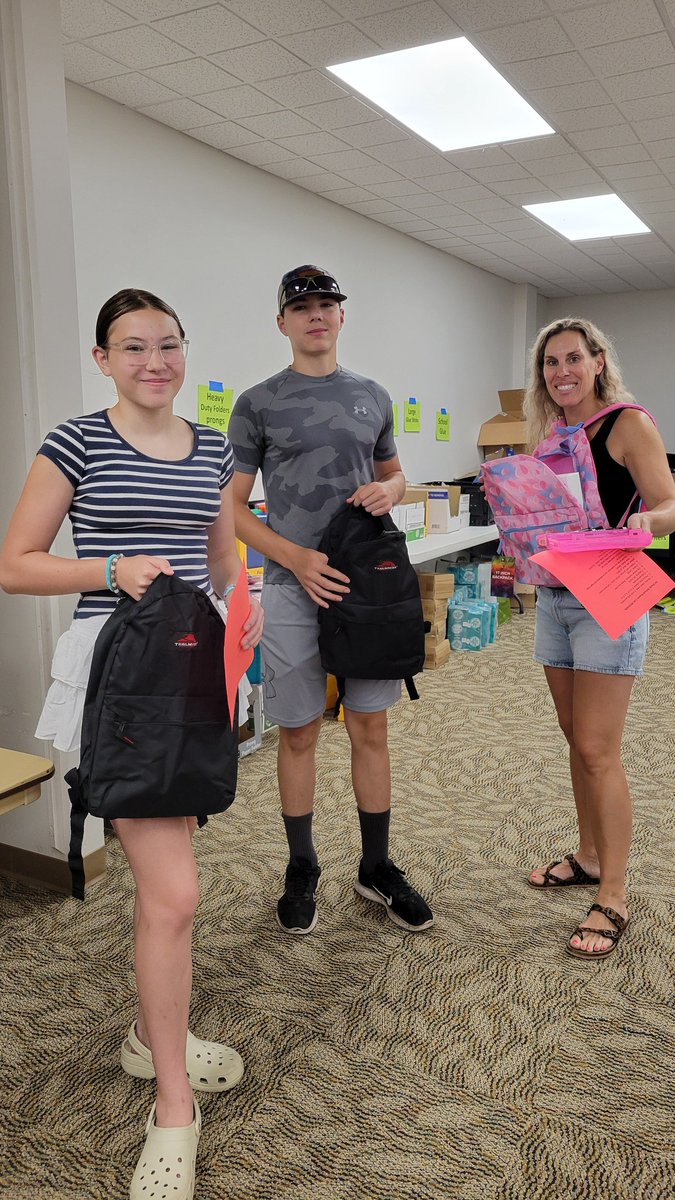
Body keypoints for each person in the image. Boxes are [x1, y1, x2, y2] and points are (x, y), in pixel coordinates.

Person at [0, 288, 263, 1200]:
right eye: (133, 346)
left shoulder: (213, 449)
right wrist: (110, 568)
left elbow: (221, 559)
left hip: (194, 666)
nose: (155, 362)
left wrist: (246, 607)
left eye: (168, 344)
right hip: (119, 675)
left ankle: (154, 1035)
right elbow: (15, 563)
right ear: (103, 359)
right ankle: (172, 1105)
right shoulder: (76, 442)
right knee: (177, 892)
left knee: (168, 875)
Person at [228, 264, 434, 936]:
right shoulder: (258, 403)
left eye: (326, 304)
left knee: (370, 728)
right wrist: (294, 558)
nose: (315, 315)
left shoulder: (372, 395)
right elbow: (232, 507)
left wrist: (391, 489)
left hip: (364, 587)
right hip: (293, 587)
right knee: (298, 732)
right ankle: (302, 864)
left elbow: (394, 474)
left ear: (342, 316)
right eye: (302, 307)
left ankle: (375, 866)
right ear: (282, 322)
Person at [523, 317, 675, 960]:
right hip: (556, 598)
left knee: (597, 749)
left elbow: (670, 504)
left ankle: (613, 894)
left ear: (598, 362)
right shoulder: (552, 438)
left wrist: (647, 522)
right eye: (551, 362)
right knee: (574, 738)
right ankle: (588, 856)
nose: (562, 372)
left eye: (573, 359)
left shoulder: (627, 424)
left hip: (609, 597)